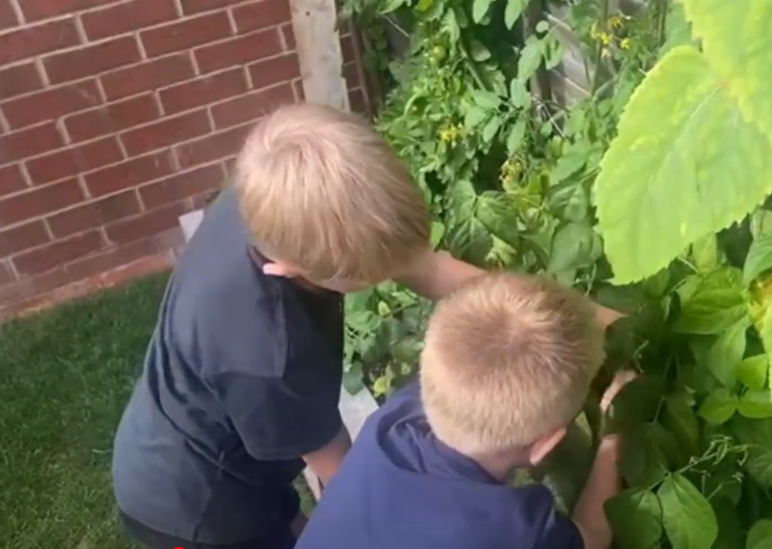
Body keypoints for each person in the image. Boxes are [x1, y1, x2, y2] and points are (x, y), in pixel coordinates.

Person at [110, 103, 619, 549]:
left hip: (209, 430)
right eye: (367, 277)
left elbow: (424, 266)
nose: (386, 278)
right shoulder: (272, 358)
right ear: (293, 268)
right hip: (196, 504)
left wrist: (586, 319)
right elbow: (344, 479)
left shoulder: (277, 202)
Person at [294, 273, 633, 549]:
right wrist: (613, 435)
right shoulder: (517, 528)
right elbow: (592, 536)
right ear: (544, 444)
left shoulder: (389, 425)